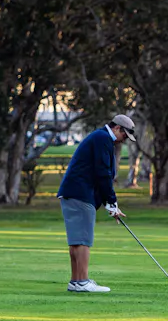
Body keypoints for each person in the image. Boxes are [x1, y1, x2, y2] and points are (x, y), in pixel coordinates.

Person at [57, 113, 135, 293]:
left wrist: (109, 204)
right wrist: (112, 201)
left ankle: (76, 281)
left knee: (77, 240)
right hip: (80, 194)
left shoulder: (99, 137)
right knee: (83, 240)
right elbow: (103, 173)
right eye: (124, 135)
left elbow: (99, 173)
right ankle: (82, 282)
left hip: (74, 193)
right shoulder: (102, 138)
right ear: (117, 128)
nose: (124, 140)